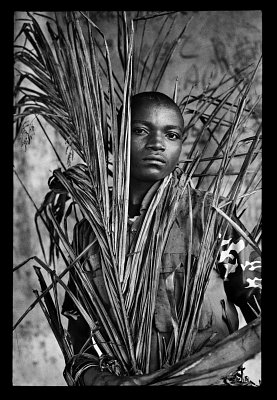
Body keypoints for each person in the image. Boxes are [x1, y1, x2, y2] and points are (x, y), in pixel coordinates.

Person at [61, 92, 261, 385]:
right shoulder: (90, 231)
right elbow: (78, 336)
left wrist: (198, 374)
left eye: (171, 134)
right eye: (141, 131)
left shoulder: (212, 217)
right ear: (116, 140)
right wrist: (100, 379)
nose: (157, 144)